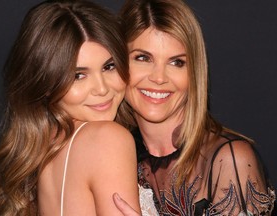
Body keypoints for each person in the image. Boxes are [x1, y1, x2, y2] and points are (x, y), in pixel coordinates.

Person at [113, 0, 276, 215]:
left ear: (194, 73)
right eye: (143, 58)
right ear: (117, 62)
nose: (159, 78)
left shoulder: (228, 160)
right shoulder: (113, 154)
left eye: (177, 62)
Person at [0, 0, 141, 215]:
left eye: (109, 66)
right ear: (46, 84)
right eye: (78, 75)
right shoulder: (107, 139)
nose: (101, 88)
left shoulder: (47, 145)